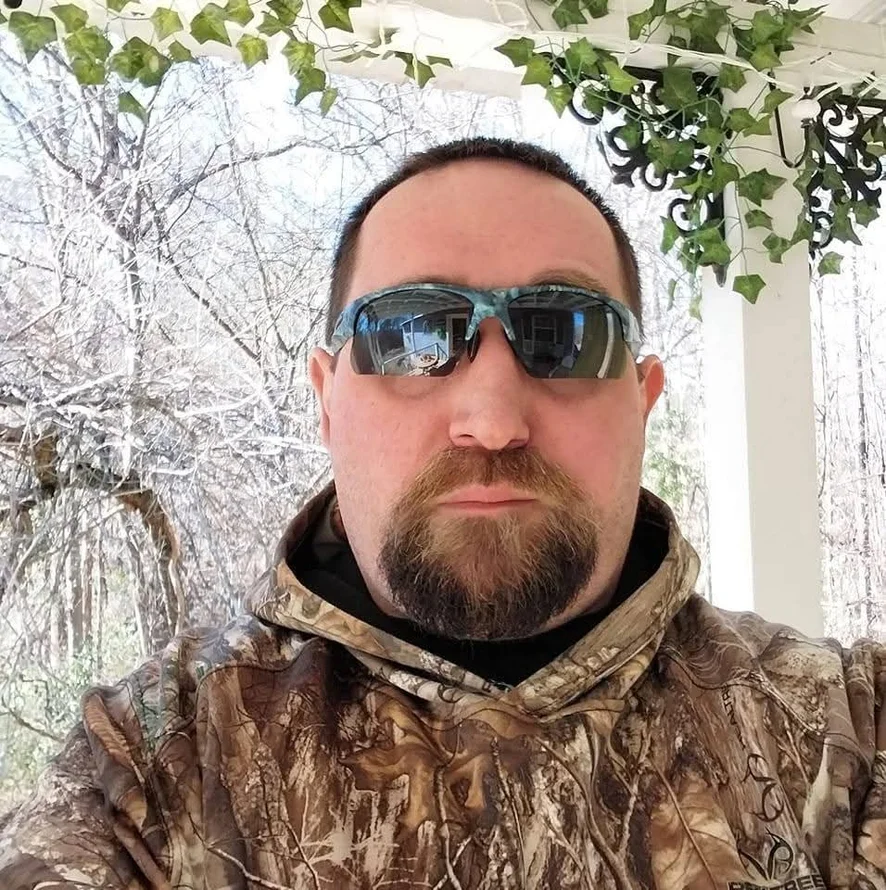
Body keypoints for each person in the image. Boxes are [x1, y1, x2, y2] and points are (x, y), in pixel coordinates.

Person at [0, 136, 884, 890]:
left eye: (568, 334)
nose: (492, 421)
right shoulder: (152, 766)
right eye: (408, 333)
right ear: (327, 399)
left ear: (642, 399)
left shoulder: (851, 732)